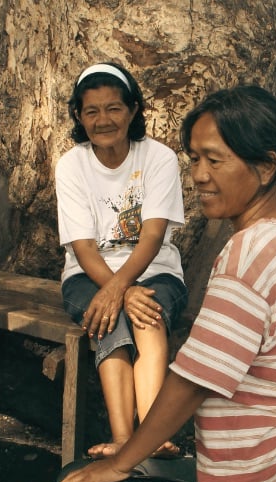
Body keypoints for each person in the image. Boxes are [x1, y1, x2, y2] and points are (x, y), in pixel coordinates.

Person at [53, 85, 276, 482]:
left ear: (266, 166)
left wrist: (124, 461)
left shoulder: (248, 256)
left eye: (215, 160)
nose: (199, 176)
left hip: (268, 471)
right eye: (193, 160)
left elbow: (194, 379)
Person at [56, 61, 188, 459]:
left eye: (114, 108)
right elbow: (83, 248)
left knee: (144, 310)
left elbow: (152, 235)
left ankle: (149, 431)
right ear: (79, 116)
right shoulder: (72, 165)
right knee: (106, 315)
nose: (103, 120)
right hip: (88, 275)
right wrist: (116, 292)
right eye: (91, 111)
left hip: (156, 271)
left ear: (132, 110)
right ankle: (124, 439)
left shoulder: (158, 158)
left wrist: (123, 289)